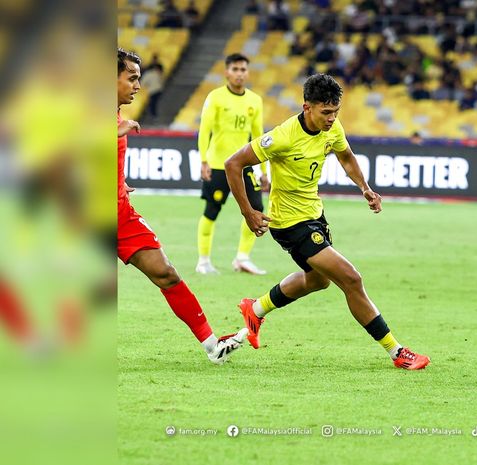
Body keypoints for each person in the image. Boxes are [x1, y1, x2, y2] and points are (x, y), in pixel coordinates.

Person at [224, 74, 430, 370]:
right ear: (306, 107)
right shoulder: (282, 136)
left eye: (335, 112)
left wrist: (365, 188)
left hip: (315, 216)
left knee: (318, 280)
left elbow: (346, 156)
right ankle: (396, 351)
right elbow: (233, 163)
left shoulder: (331, 128)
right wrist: (248, 211)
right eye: (325, 112)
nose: (331, 118)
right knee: (351, 279)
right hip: (289, 223)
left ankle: (255, 309)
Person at [117, 48, 247, 364]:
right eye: (132, 78)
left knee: (167, 274)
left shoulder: (117, 117)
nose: (138, 85)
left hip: (120, 214)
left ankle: (213, 346)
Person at [196, 53, 268, 275]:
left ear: (248, 72)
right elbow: (204, 130)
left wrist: (263, 170)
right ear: (227, 72)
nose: (239, 73)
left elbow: (258, 137)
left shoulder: (255, 101)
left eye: (243, 69)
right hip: (218, 165)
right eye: (235, 69)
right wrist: (203, 161)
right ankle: (204, 261)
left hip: (243, 166)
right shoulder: (215, 97)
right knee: (212, 210)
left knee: (256, 209)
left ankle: (242, 258)